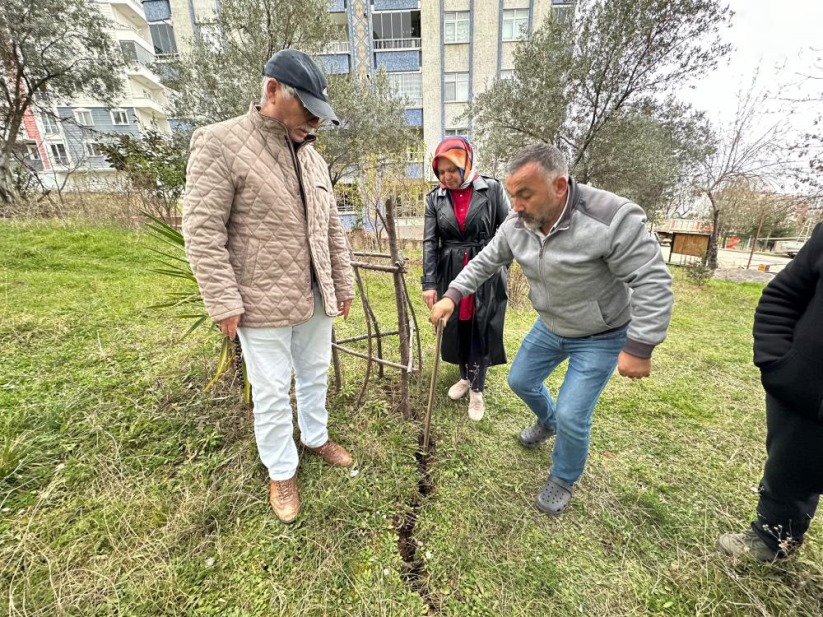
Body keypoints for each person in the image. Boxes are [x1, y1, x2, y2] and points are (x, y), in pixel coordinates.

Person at [430, 143, 673, 516]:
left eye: (525, 194)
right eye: (512, 196)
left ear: (559, 186)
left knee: (575, 414)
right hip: (550, 325)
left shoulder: (611, 218)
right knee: (520, 380)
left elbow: (653, 280)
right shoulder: (517, 223)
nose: (516, 206)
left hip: (601, 334)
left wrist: (640, 345)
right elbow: (484, 261)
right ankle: (548, 421)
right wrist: (452, 294)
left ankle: (563, 476)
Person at [182, 49, 355, 524]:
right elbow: (202, 230)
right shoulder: (218, 143)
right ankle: (282, 470)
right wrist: (221, 299)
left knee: (316, 371)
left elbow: (331, 227)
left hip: (315, 292)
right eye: (309, 112)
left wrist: (343, 282)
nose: (316, 124)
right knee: (273, 388)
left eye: (321, 116)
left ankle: (315, 437)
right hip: (258, 300)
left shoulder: (314, 158)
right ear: (273, 91)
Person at [717, 223, 823, 561]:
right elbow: (784, 294)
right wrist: (779, 363)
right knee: (788, 465)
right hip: (803, 393)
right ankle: (773, 536)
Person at [422, 136, 510, 421]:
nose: (446, 176)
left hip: (485, 270)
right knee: (457, 327)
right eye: (441, 171)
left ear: (466, 163)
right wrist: (429, 283)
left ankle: (477, 391)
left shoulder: (492, 189)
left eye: (452, 169)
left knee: (480, 327)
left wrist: (501, 268)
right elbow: (429, 242)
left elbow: (510, 231)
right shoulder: (434, 199)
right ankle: (464, 376)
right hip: (450, 270)